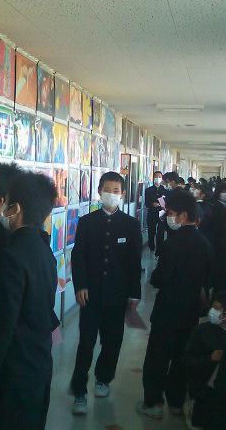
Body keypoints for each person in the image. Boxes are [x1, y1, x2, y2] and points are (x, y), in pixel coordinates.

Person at [0, 171, 58, 430]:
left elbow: (2, 324)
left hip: (12, 374)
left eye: (6, 202)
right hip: (37, 366)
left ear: (15, 208)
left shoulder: (12, 256)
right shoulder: (42, 247)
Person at [70, 171, 143, 415]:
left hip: (117, 296)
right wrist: (80, 285)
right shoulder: (87, 222)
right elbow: (78, 257)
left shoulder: (130, 225)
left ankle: (103, 378)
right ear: (99, 192)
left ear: (122, 194)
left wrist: (134, 293)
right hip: (90, 295)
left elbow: (134, 262)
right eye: (107, 190)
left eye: (116, 191)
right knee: (86, 343)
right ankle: (79, 390)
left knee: (112, 342)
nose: (111, 194)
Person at [137, 190, 214, 420]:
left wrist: (154, 277)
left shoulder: (173, 243)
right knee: (182, 358)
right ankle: (176, 402)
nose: (168, 217)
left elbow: (161, 277)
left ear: (183, 215)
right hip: (190, 312)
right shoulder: (205, 243)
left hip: (167, 310)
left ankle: (153, 403)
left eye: (170, 213)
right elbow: (208, 278)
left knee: (158, 358)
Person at [182, 293, 226, 405]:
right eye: (212, 307)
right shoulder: (201, 331)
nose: (212, 311)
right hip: (201, 390)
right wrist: (209, 359)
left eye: (217, 308)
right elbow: (187, 359)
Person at [155, 171, 180, 256]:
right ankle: (160, 252)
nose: (165, 184)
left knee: (171, 236)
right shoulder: (170, 191)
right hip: (166, 216)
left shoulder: (178, 193)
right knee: (161, 233)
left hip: (174, 219)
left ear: (172, 181)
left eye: (166, 182)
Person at [145, 171, 166, 253]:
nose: (158, 178)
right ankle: (151, 247)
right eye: (156, 177)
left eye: (159, 177)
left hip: (162, 213)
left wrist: (162, 205)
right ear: (153, 178)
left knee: (161, 232)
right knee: (151, 231)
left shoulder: (164, 190)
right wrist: (152, 204)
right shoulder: (148, 190)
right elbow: (146, 203)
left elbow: (166, 202)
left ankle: (159, 250)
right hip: (152, 213)